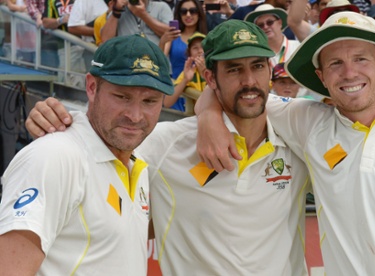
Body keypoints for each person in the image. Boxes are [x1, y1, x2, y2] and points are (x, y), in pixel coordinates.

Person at [24, 20, 312, 275]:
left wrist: (209, 113)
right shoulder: (165, 142)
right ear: (210, 79)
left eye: (258, 66)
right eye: (234, 69)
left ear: (270, 71)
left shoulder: (298, 136)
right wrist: (55, 120)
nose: (249, 81)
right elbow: (98, 136)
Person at [195, 12, 375, 274]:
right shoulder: (309, 124)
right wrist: (208, 115)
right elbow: (241, 91)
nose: (349, 73)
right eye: (335, 63)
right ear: (321, 77)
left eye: (361, 59)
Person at [0, 34, 174, 275]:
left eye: (150, 101)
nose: (135, 115)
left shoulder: (136, 161)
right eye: (122, 96)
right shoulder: (54, 156)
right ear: (92, 87)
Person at [159, 0, 207, 111]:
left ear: (199, 13)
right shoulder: (173, 37)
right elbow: (159, 61)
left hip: (200, 91)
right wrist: (162, 41)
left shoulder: (206, 38)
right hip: (176, 91)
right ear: (179, 14)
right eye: (183, 11)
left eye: (193, 11)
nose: (188, 15)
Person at [245, 4, 300, 68]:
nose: (265, 27)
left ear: (280, 23)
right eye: (260, 25)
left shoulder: (298, 48)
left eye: (270, 22)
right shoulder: (254, 55)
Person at [100, 0, 172, 46]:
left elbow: (171, 33)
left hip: (154, 63)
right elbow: (106, 40)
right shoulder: (119, 9)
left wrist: (143, 15)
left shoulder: (161, 7)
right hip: (126, 64)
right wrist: (116, 12)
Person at [164, 32, 207, 108]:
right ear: (190, 54)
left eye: (203, 47)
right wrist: (185, 80)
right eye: (195, 48)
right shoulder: (189, 72)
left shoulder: (216, 70)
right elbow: (167, 103)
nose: (200, 51)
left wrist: (204, 74)